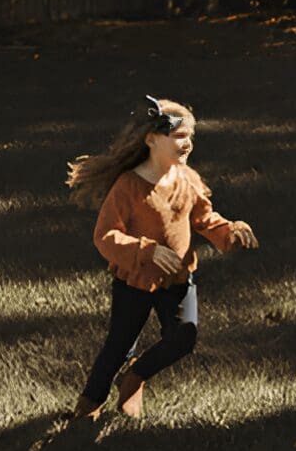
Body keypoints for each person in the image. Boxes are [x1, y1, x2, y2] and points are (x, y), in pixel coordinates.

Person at [67, 95, 259, 420]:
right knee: (118, 345)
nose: (188, 143)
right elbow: (105, 236)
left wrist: (230, 232)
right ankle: (89, 404)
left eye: (192, 137)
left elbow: (204, 219)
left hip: (178, 279)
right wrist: (146, 250)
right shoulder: (128, 186)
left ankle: (135, 377)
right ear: (152, 139)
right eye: (180, 136)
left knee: (184, 337)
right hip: (135, 281)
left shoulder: (186, 179)